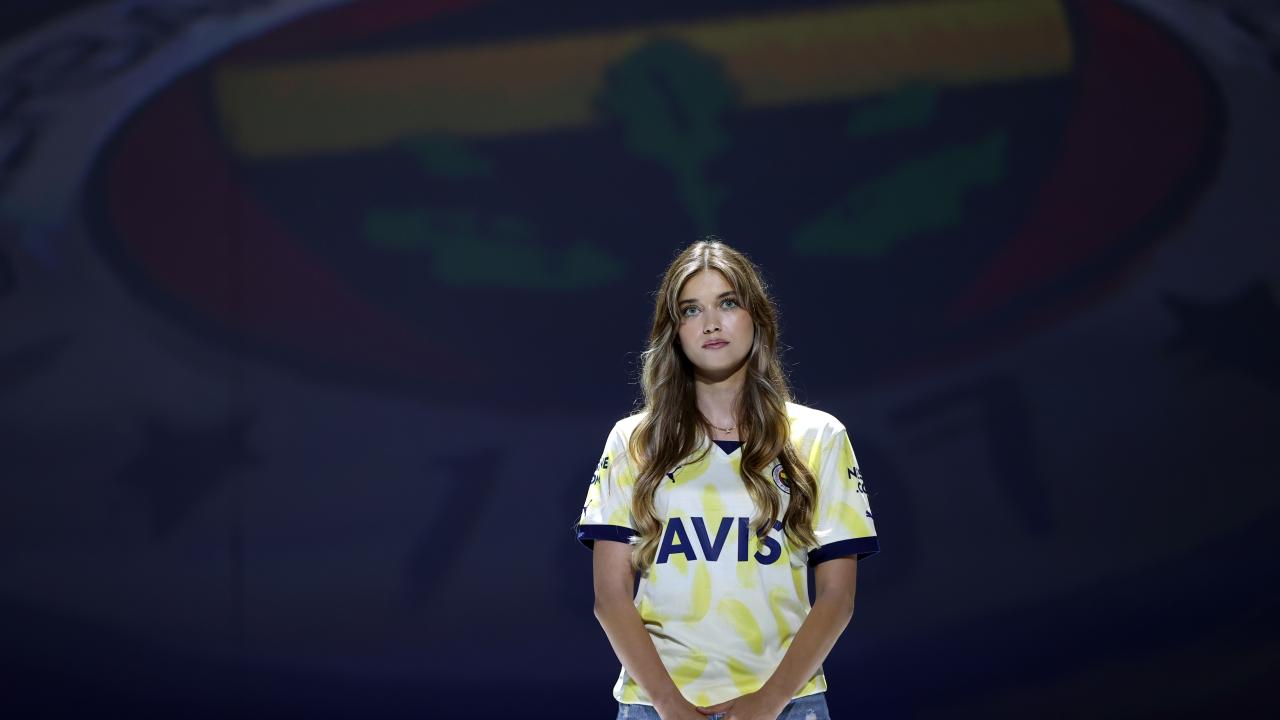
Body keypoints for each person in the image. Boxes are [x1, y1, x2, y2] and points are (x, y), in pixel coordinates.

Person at [575, 240, 879, 720]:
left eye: (728, 303)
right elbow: (610, 597)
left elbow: (838, 597)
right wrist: (670, 705)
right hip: (656, 708)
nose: (711, 323)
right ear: (674, 331)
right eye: (691, 310)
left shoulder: (818, 436)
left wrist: (769, 701)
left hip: (788, 704)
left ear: (757, 316)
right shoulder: (634, 441)